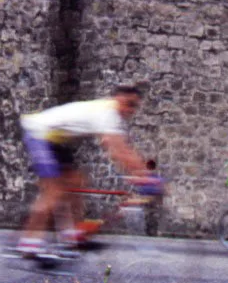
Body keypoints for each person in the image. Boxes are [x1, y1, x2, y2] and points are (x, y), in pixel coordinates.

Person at [16, 85, 158, 255]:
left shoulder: (110, 114)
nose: (131, 110)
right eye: (128, 104)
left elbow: (122, 150)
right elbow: (119, 150)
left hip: (54, 138)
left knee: (76, 181)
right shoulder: (108, 112)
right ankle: (29, 242)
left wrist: (141, 174)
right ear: (118, 99)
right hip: (39, 134)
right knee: (53, 192)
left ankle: (71, 235)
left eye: (134, 106)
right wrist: (146, 177)